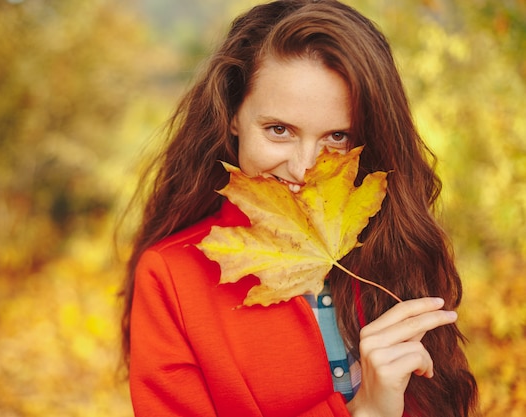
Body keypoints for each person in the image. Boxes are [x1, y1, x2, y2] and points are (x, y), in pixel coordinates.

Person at [120, 0, 479, 416]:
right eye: (279, 130)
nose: (304, 167)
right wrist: (361, 411)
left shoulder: (394, 248)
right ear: (233, 115)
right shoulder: (171, 278)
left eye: (338, 136)